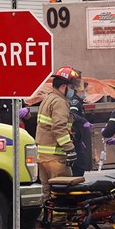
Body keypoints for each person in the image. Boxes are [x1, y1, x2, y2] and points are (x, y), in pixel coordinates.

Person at [35, 66, 80, 205]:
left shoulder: (48, 99)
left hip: (42, 157)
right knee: (62, 194)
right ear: (63, 87)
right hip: (56, 158)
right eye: (72, 87)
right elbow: (59, 128)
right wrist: (70, 149)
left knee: (47, 194)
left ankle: (47, 222)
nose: (74, 91)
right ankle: (60, 223)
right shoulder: (59, 102)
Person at [69, 80, 92, 177]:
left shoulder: (79, 102)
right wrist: (84, 121)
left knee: (81, 161)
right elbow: (72, 114)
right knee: (79, 164)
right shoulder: (75, 102)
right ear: (81, 91)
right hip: (75, 136)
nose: (86, 93)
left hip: (78, 136)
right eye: (86, 91)